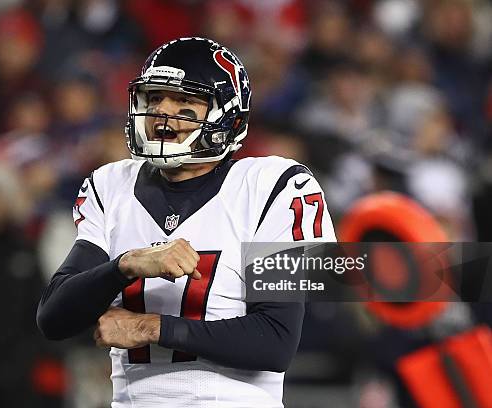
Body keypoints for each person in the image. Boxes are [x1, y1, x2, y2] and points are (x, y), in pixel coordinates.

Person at [37, 37, 336, 407]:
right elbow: (54, 317)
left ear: (228, 117)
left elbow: (276, 341)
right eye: (154, 98)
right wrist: (124, 266)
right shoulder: (111, 185)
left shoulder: (273, 187)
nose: (162, 111)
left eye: (184, 101)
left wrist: (151, 327)